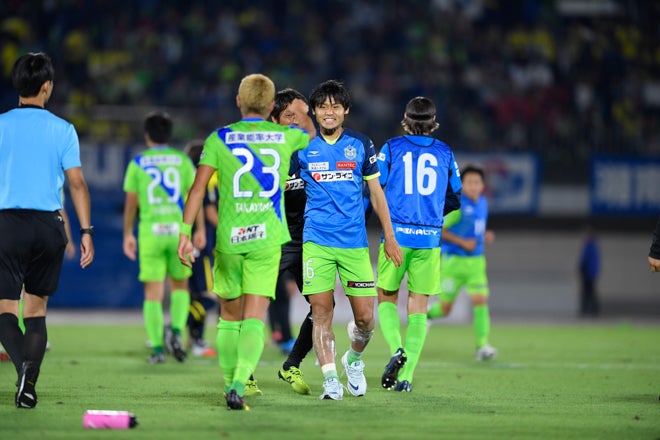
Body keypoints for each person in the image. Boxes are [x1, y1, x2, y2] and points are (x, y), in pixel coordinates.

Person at [177, 73, 314, 411]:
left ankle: (230, 383)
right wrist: (302, 112)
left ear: (238, 101)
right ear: (271, 106)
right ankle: (239, 385)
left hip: (230, 239)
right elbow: (310, 134)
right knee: (254, 316)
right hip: (267, 239)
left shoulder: (218, 138)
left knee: (228, 316)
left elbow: (197, 189)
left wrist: (184, 233)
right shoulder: (286, 136)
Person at [293, 79, 402, 401]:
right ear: (314, 112)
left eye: (335, 106)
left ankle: (353, 360)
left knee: (366, 320)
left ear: (346, 110)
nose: (329, 112)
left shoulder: (361, 144)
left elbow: (376, 193)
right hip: (316, 241)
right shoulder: (301, 148)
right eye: (323, 107)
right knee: (321, 312)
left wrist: (390, 236)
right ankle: (330, 381)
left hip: (353, 243)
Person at [0, 52, 94, 408]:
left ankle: (24, 373)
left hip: (7, 225)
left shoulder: (1, 125)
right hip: (47, 226)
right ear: (47, 87)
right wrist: (86, 231)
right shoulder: (63, 129)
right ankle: (29, 378)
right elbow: (77, 184)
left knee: (5, 311)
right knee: (36, 312)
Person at [375, 96, 462, 393]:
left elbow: (374, 187)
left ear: (406, 119)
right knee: (419, 307)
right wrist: (432, 215)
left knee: (387, 297)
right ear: (433, 121)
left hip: (396, 236)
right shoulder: (445, 152)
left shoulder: (391, 148)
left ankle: (396, 349)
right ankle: (407, 377)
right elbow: (455, 196)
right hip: (429, 239)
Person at [123, 111, 203, 364]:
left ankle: (157, 349)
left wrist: (127, 233)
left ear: (147, 135)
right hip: (179, 233)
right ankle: (176, 333)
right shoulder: (182, 161)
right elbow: (195, 195)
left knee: (153, 294)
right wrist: (199, 229)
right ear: (170, 134)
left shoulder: (138, 163)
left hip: (151, 233)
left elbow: (131, 202)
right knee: (181, 287)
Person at [269, 88, 317, 395]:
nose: (297, 121)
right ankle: (243, 375)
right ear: (274, 119)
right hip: (272, 238)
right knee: (252, 304)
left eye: (302, 115)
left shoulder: (309, 150)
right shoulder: (267, 151)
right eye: (289, 115)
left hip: (306, 239)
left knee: (322, 307)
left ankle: (292, 364)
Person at [427, 164, 497, 361]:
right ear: (462, 184)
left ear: (482, 185)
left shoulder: (482, 203)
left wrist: (484, 235)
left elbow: (474, 228)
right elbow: (440, 230)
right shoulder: (457, 206)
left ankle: (482, 346)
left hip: (476, 262)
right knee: (445, 309)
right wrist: (462, 242)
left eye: (477, 182)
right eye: (469, 182)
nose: (474, 186)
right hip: (453, 263)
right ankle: (428, 314)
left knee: (480, 300)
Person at [183, 139, 219, 358]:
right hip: (202, 245)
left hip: (185, 241)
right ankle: (177, 326)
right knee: (209, 296)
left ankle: (196, 339)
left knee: (193, 295)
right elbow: (209, 211)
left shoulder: (186, 178)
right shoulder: (207, 179)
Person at [577, 224, 600, 317]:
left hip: (588, 273)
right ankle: (589, 309)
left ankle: (589, 309)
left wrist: (584, 269)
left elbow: (587, 260)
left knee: (589, 292)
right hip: (588, 272)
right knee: (589, 292)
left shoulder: (591, 246)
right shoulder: (590, 246)